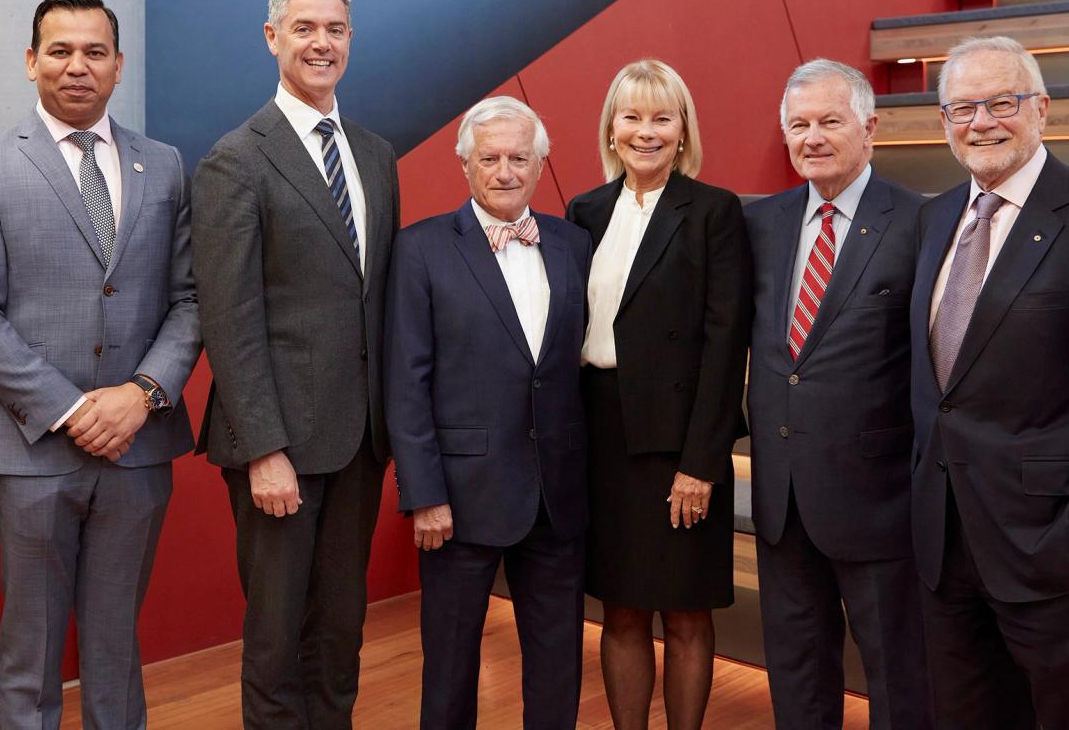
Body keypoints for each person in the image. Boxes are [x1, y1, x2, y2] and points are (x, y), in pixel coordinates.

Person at [0, 0, 200, 730]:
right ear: (30, 62)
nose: (76, 66)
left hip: (138, 443)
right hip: (30, 446)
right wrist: (73, 408)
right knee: (33, 644)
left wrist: (143, 393)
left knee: (117, 643)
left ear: (119, 66)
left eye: (94, 52)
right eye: (59, 51)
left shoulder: (167, 165)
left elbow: (190, 299)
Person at [191, 0, 400, 729]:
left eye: (335, 30)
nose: (322, 43)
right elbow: (230, 316)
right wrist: (264, 449)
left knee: (341, 632)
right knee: (277, 639)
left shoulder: (375, 156)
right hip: (281, 445)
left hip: (360, 442)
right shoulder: (235, 159)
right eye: (305, 28)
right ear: (272, 37)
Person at [911, 35, 1069, 729]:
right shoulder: (933, 217)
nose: (981, 122)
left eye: (1001, 102)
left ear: (1042, 110)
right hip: (946, 542)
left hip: (1058, 545)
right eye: (962, 108)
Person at [384, 97, 591, 729]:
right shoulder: (420, 249)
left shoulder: (572, 242)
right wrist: (424, 494)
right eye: (490, 158)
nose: (505, 171)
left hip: (556, 496)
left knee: (558, 663)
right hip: (459, 499)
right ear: (466, 166)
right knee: (449, 670)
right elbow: (406, 381)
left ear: (540, 163)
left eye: (519, 158)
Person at [744, 59, 931, 729]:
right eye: (798, 125)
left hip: (878, 501)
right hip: (782, 499)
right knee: (796, 673)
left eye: (829, 121)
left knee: (898, 677)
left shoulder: (921, 221)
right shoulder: (758, 223)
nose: (812, 137)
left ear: (870, 127)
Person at [565, 59, 750, 730]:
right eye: (632, 116)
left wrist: (701, 462)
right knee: (618, 607)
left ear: (683, 131)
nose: (645, 131)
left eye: (661, 118)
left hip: (681, 442)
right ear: (612, 128)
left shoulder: (713, 212)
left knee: (686, 611)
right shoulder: (583, 211)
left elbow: (727, 344)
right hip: (604, 436)